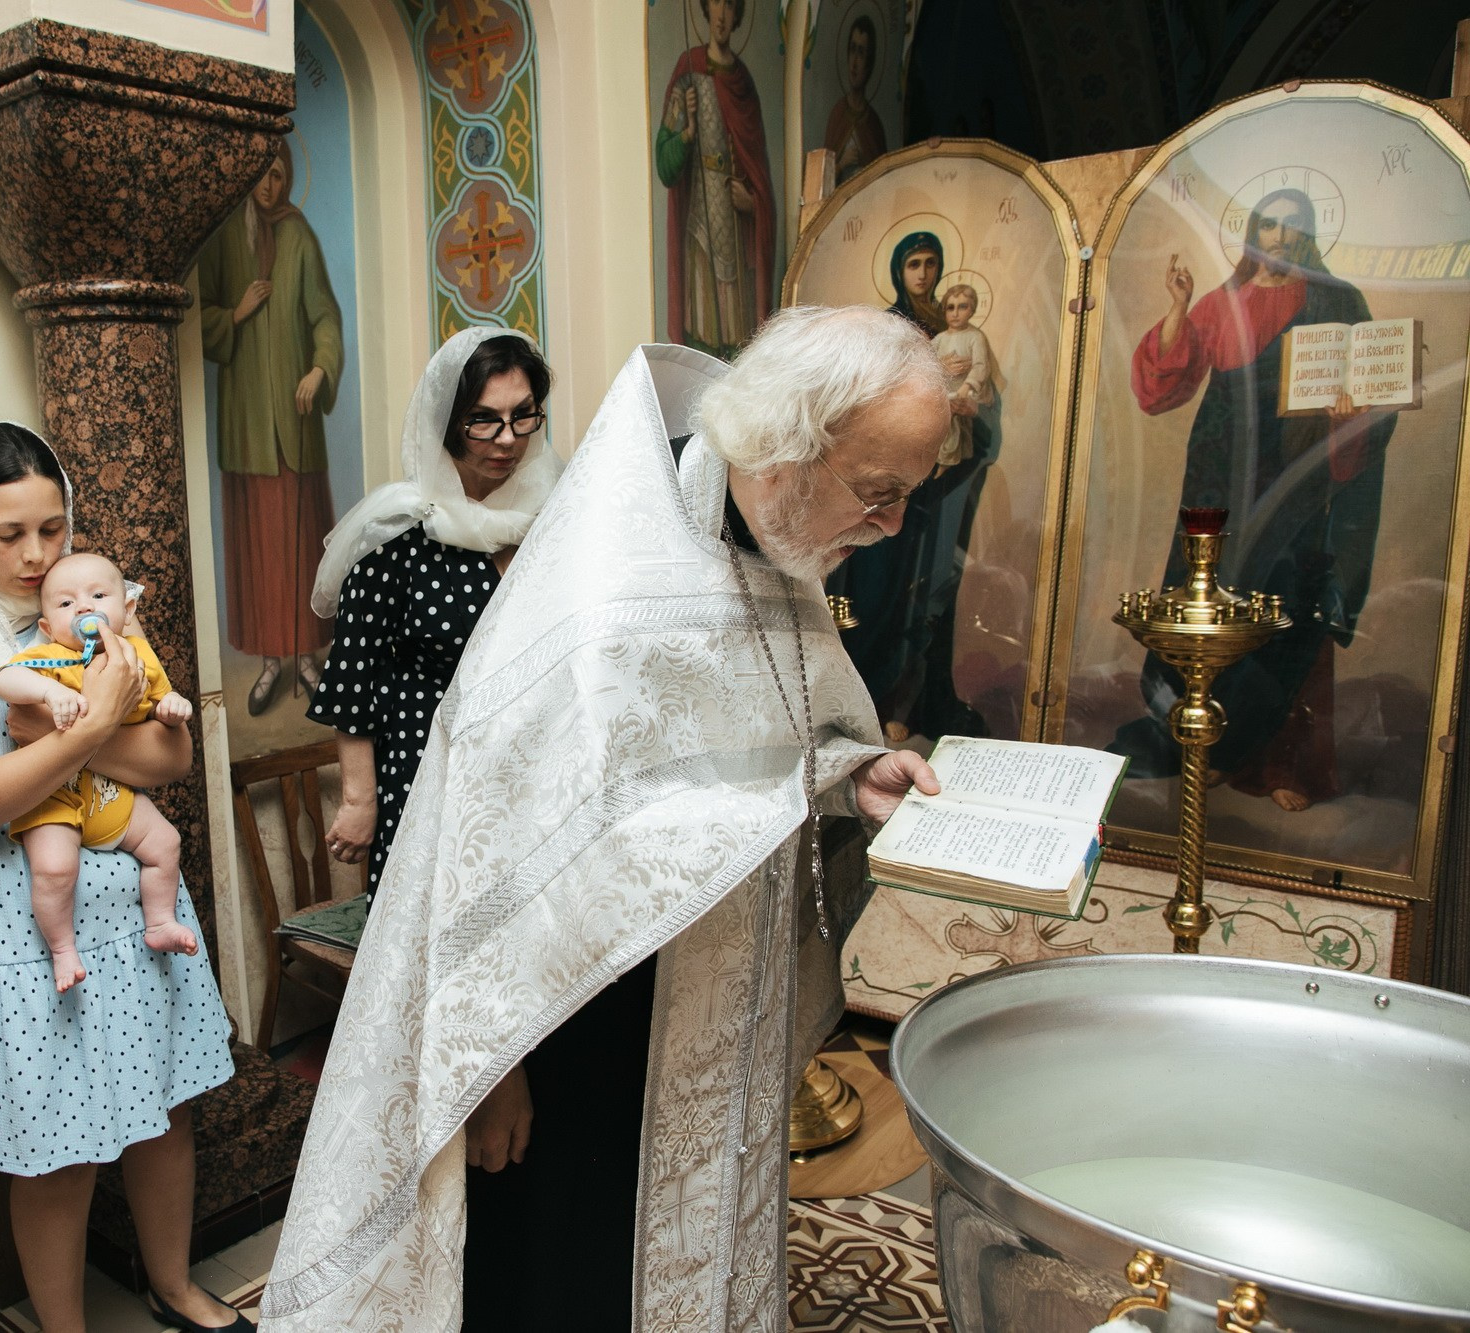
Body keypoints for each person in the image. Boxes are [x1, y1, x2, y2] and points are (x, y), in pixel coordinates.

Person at [260, 307, 951, 1333]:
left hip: (707, 1008)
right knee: (565, 1277)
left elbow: (758, 742)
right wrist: (492, 1073)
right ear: (785, 451)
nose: (891, 525)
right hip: (579, 1033)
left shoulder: (776, 550)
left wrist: (847, 779)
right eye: (878, 491)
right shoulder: (606, 579)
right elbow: (493, 852)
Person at [0, 423, 243, 1333]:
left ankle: (172, 1283)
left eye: (52, 527)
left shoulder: (89, 595)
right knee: (54, 1151)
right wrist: (86, 731)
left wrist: (79, 727)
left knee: (167, 1108)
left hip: (128, 909)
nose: (37, 558)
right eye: (6, 535)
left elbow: (170, 754)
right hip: (9, 932)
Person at [1118, 187, 1392, 811]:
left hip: (1293, 473)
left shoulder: (1336, 300)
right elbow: (1164, 385)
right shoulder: (1222, 303)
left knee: (1287, 602)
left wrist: (1348, 414)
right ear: (1254, 233)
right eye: (1272, 225)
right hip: (1218, 475)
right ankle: (1204, 744)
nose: (1282, 237)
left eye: (1296, 226)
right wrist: (1179, 308)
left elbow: (1373, 381)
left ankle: (1278, 761)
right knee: (1209, 598)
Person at [307, 329, 560, 902]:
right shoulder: (396, 535)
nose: (507, 439)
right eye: (483, 420)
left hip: (532, 773)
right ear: (445, 421)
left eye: (523, 416)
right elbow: (353, 682)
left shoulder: (552, 518)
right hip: (428, 777)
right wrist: (358, 801)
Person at [0, 550, 199, 992]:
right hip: (54, 794)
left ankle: (160, 921)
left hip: (112, 794)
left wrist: (170, 708)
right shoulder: (49, 655)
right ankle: (63, 949)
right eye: (65, 604)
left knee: (166, 843)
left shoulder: (136, 656)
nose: (83, 607)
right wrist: (47, 692)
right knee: (54, 869)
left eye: (98, 595)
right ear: (46, 626)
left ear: (127, 609)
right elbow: (4, 681)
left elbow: (161, 706)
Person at [198, 138, 345, 716]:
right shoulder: (222, 241)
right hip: (247, 425)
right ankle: (268, 663)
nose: (271, 188)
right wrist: (235, 313)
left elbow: (325, 315)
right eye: (262, 177)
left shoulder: (299, 236)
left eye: (279, 176)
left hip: (296, 420)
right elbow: (200, 313)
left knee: (302, 542)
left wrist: (318, 367)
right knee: (258, 547)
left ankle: (308, 659)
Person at [831, 231, 990, 742]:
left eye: (930, 264)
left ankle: (916, 703)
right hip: (886, 492)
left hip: (938, 492)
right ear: (899, 269)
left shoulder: (960, 331)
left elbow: (985, 419)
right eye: (913, 264)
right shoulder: (887, 331)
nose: (922, 274)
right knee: (881, 595)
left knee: (930, 597)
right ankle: (869, 701)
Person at [655, 0, 778, 358]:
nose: (722, 15)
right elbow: (665, 164)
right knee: (703, 323)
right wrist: (687, 133)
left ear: (738, 14)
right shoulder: (687, 70)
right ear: (706, 10)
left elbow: (760, 174)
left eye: (729, 5)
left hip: (736, 235)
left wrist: (753, 203)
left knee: (737, 340)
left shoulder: (744, 83)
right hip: (699, 221)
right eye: (716, 4)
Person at [933, 282, 994, 467]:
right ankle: (941, 464)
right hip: (944, 395)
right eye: (950, 307)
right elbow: (926, 363)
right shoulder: (940, 339)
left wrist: (967, 387)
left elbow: (980, 366)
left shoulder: (975, 337)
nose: (955, 313)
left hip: (964, 395)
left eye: (962, 307)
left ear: (972, 310)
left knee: (959, 435)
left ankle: (949, 465)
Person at [823, 14, 888, 184]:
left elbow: (882, 182)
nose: (854, 63)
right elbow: (821, 183)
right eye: (852, 50)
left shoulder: (873, 125)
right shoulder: (838, 114)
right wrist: (842, 164)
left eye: (861, 52)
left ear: (869, 62)